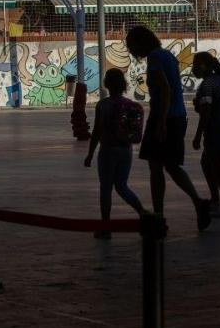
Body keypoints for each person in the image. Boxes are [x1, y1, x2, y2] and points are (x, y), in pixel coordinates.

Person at [124, 26, 211, 231]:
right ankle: (198, 203)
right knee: (171, 165)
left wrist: (161, 121)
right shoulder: (167, 56)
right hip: (178, 116)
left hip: (165, 117)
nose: (130, 49)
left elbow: (164, 90)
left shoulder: (155, 58)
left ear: (140, 42)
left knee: (156, 167)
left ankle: (159, 214)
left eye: (131, 45)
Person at [84, 68, 150, 240]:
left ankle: (106, 227)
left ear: (106, 84)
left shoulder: (103, 105)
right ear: (123, 85)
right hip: (126, 150)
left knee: (106, 188)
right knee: (122, 186)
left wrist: (90, 154)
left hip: (108, 151)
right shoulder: (130, 104)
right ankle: (142, 212)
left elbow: (97, 131)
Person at [190, 52, 220, 218]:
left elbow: (206, 113)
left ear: (205, 66)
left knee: (218, 169)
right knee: (207, 163)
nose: (193, 67)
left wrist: (197, 136)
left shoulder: (207, 85)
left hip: (215, 131)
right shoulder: (219, 81)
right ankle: (216, 200)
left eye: (196, 64)